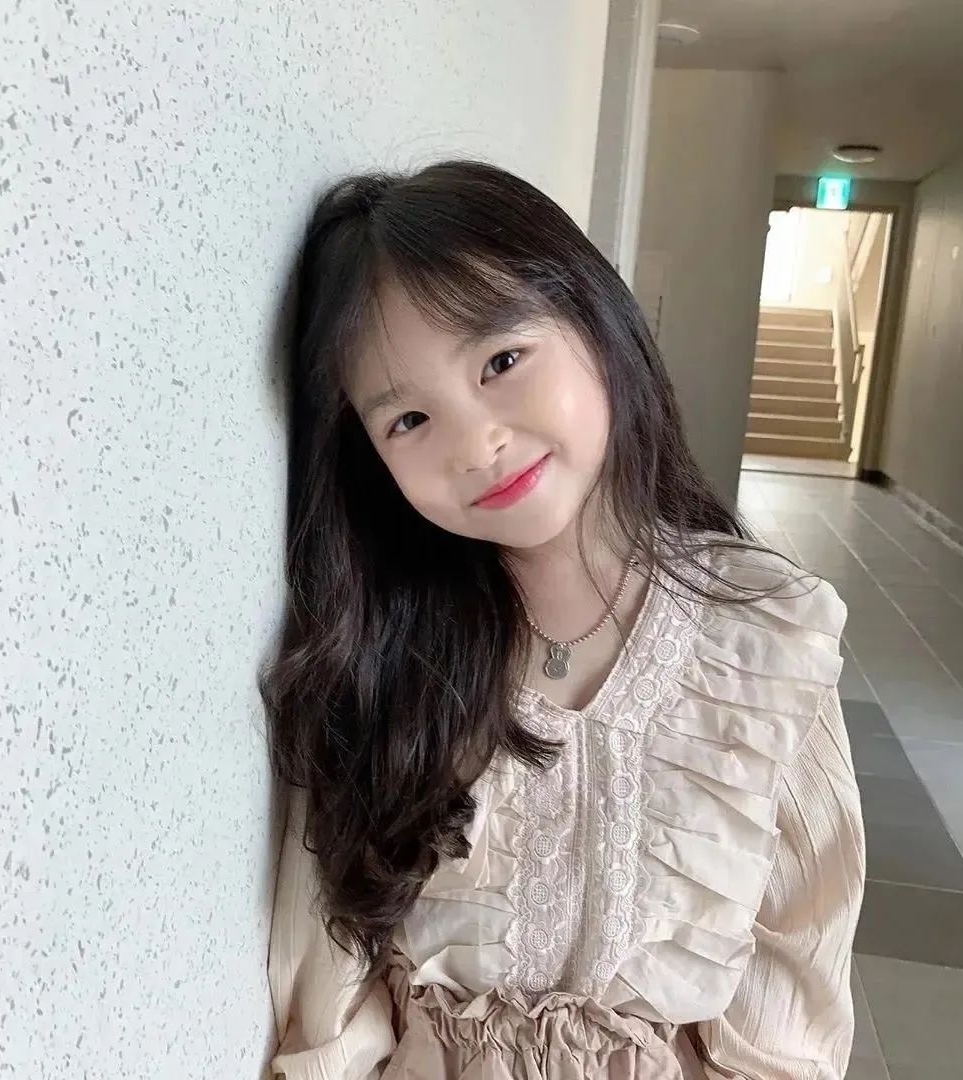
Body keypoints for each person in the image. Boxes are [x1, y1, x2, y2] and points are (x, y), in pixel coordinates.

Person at [260, 160, 865, 1080]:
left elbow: (793, 999)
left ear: (595, 318)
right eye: (409, 420)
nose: (477, 444)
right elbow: (330, 1007)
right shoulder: (377, 655)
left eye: (501, 362)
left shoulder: (765, 639)